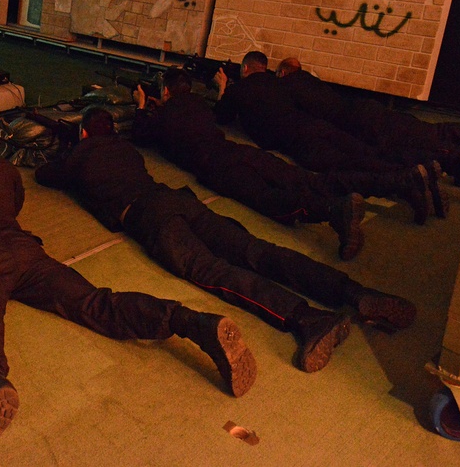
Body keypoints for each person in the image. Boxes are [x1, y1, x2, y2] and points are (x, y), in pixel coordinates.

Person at [0, 121, 257, 467]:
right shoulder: (3, 169)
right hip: (25, 250)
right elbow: (14, 204)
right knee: (97, 303)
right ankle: (192, 322)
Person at [36, 107, 416, 374]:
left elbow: (43, 176)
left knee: (212, 271)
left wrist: (70, 144)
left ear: (84, 133)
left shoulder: (80, 157)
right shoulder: (125, 148)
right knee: (258, 251)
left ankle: (307, 319)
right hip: (180, 199)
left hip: (150, 216)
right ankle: (354, 292)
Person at [132, 67, 438, 260]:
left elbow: (140, 135)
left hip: (218, 167)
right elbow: (214, 114)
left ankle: (334, 211)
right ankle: (399, 181)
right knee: (310, 179)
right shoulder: (199, 105)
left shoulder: (161, 118)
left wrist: (143, 106)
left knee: (272, 200)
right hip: (242, 152)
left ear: (166, 92)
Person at [275, 57, 460, 204]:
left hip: (355, 121)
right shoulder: (311, 81)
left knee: (401, 146)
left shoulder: (286, 88)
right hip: (364, 108)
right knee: (424, 131)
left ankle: (456, 160)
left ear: (282, 73)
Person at [214, 51, 423, 177]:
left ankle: (404, 176)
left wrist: (222, 87)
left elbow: (221, 116)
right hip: (317, 125)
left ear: (245, 67)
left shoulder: (238, 91)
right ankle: (416, 164)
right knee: (362, 149)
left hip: (299, 141)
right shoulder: (279, 84)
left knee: (349, 164)